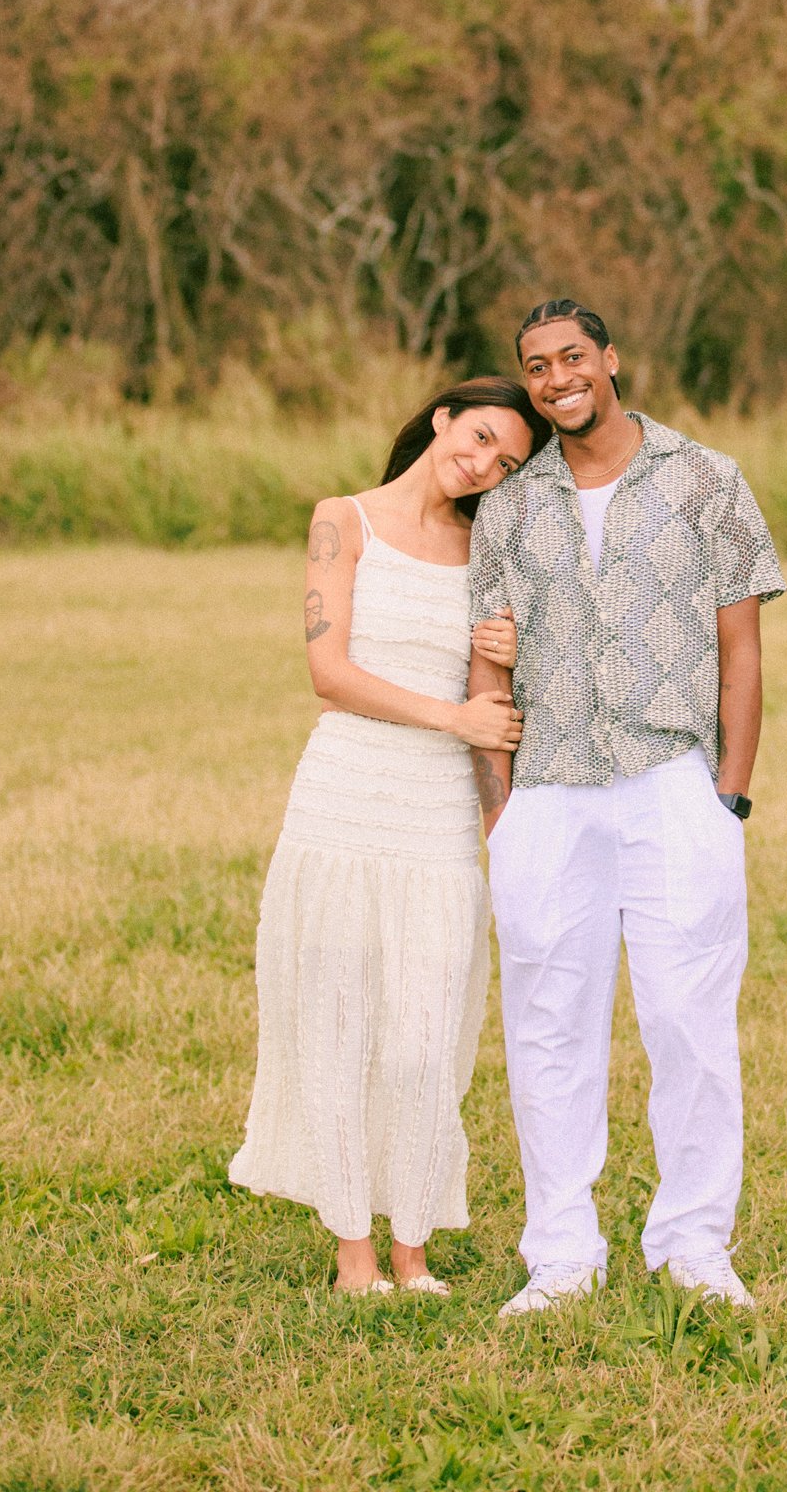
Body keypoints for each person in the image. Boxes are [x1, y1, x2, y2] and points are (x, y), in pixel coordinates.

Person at [467, 300, 785, 1315]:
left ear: (610, 359)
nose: (557, 377)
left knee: (689, 1022)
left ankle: (694, 1246)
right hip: (548, 791)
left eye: (573, 356)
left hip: (672, 781)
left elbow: (742, 651)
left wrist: (728, 793)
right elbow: (486, 664)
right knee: (547, 1028)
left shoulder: (705, 478)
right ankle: (562, 1255)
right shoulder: (511, 507)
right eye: (536, 366)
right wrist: (501, 812)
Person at [230, 378, 549, 1295]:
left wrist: (503, 825)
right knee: (336, 1023)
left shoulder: (487, 552)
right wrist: (453, 719)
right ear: (442, 418)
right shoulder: (344, 520)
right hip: (342, 801)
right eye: (479, 438)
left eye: (506, 463)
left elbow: (493, 707)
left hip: (437, 819)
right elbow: (329, 674)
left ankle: (413, 1244)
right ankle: (356, 1256)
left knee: (423, 1037)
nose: (483, 466)